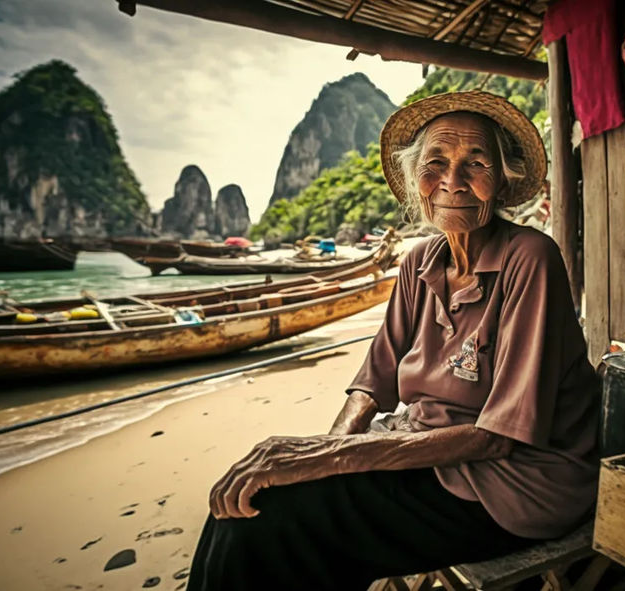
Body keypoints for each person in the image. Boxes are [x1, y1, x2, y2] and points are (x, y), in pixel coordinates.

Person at [187, 91, 600, 590]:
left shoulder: (530, 257)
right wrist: (325, 453)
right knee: (249, 506)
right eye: (436, 163)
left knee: (273, 523)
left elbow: (498, 436)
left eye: (476, 162)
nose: (453, 179)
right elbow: (373, 382)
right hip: (425, 452)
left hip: (515, 483)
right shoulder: (419, 261)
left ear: (503, 179)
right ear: (413, 181)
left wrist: (328, 460)